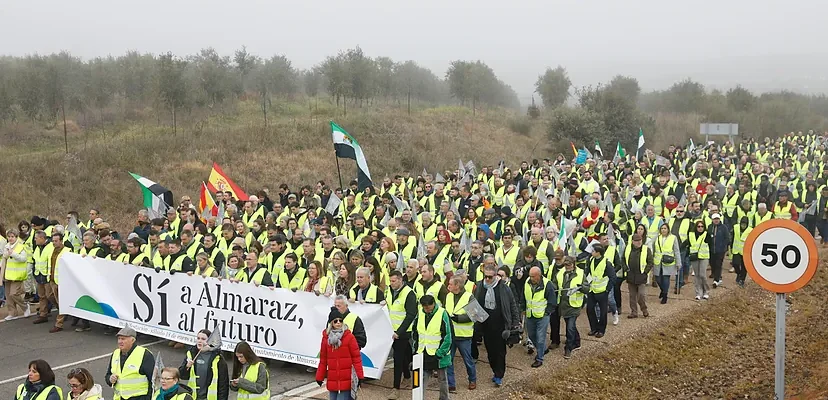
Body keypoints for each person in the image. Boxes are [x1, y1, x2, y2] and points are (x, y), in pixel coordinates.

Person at [472, 258, 520, 387]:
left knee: (499, 351)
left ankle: (499, 374)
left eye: (490, 277)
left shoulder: (503, 288)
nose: (487, 279)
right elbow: (475, 303)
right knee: (490, 351)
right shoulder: (480, 286)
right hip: (485, 324)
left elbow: (512, 305)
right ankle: (494, 369)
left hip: (500, 323)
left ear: (495, 276)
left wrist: (515, 323)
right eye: (485, 277)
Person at [315, 309, 365, 400]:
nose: (338, 323)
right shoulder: (326, 339)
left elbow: (356, 358)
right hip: (332, 379)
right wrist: (319, 376)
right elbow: (323, 360)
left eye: (340, 320)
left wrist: (360, 376)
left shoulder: (349, 337)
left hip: (346, 380)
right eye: (335, 321)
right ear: (331, 323)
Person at [413, 295, 452, 400]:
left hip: (438, 354)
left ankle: (444, 398)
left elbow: (448, 336)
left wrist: (440, 353)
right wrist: (416, 349)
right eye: (424, 307)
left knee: (442, 379)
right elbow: (415, 332)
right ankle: (419, 398)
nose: (426, 310)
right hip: (423, 352)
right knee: (421, 379)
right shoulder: (420, 312)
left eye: (428, 307)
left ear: (433, 304)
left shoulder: (442, 313)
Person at [386, 270, 417, 399]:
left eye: (393, 281)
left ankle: (396, 388)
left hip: (402, 332)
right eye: (390, 281)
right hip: (391, 330)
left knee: (398, 359)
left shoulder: (409, 293)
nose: (391, 283)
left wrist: (399, 332)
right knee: (404, 355)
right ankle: (409, 376)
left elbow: (410, 315)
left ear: (400, 280)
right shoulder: (389, 291)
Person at [445, 274, 477, 392]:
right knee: (449, 360)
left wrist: (458, 319)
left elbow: (475, 315)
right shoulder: (448, 296)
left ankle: (472, 379)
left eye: (450, 284)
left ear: (457, 285)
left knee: (468, 361)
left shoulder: (469, 296)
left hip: (464, 335)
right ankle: (451, 383)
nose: (448, 286)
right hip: (450, 335)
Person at [554, 256, 589, 359]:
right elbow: (555, 285)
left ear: (574, 264)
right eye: (565, 265)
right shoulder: (560, 273)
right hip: (563, 305)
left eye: (569, 265)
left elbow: (587, 288)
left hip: (575, 305)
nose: (567, 267)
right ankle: (577, 342)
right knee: (571, 326)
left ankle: (568, 348)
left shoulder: (581, 274)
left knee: (569, 327)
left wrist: (581, 287)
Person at [106, 326, 155, 400]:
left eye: (123, 339)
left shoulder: (145, 355)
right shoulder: (115, 354)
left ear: (132, 340)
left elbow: (153, 380)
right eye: (119, 338)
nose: (120, 341)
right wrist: (110, 379)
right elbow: (108, 374)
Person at [179, 329, 229, 400]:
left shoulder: (218, 359)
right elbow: (182, 375)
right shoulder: (191, 354)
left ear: (210, 341)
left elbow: (223, 385)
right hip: (193, 397)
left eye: (203, 339)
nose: (199, 341)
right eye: (198, 338)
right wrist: (187, 366)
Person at [523, 266, 555, 368]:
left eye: (533, 276)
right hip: (530, 314)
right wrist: (523, 308)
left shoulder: (547, 284)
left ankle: (539, 358)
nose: (531, 278)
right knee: (531, 336)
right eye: (530, 276)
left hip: (542, 316)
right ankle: (543, 349)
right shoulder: (527, 282)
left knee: (540, 338)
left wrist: (547, 312)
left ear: (539, 275)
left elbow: (552, 301)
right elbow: (523, 296)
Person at [585, 244, 615, 338]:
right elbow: (589, 272)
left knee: (603, 312)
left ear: (598, 253)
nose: (591, 252)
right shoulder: (591, 260)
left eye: (593, 251)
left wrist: (607, 289)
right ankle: (593, 328)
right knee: (589, 309)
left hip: (602, 291)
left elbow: (613, 277)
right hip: (592, 290)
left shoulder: (606, 263)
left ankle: (601, 330)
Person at [3, 228, 31, 320]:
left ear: (16, 237)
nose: (10, 238)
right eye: (9, 237)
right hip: (7, 274)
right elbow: (4, 259)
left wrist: (13, 254)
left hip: (17, 274)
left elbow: (23, 258)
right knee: (8, 295)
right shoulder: (6, 246)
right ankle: (12, 313)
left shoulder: (21, 247)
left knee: (13, 294)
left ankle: (25, 306)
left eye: (12, 237)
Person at [623, 234, 653, 318]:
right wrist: (626, 269)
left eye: (640, 240)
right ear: (632, 242)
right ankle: (634, 312)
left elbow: (650, 262)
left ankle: (644, 309)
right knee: (632, 296)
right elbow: (623, 259)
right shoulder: (627, 248)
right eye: (636, 241)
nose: (639, 242)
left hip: (641, 276)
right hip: (631, 275)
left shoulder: (646, 249)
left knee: (641, 295)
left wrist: (645, 272)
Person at [651, 224, 681, 304]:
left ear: (668, 229)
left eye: (665, 228)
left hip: (668, 261)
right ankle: (663, 290)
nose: (663, 230)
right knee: (657, 278)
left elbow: (676, 251)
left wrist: (678, 263)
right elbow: (653, 249)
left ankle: (665, 295)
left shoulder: (673, 238)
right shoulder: (657, 238)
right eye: (662, 228)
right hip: (658, 260)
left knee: (665, 278)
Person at [689, 221, 711, 300]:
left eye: (702, 226)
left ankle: (706, 291)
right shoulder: (691, 235)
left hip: (704, 257)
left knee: (702, 275)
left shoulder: (707, 235)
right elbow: (688, 244)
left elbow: (711, 245)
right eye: (698, 226)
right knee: (697, 275)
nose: (700, 228)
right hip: (694, 257)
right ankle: (698, 292)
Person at [708, 213, 731, 288]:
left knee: (718, 264)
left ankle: (716, 280)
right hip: (711, 249)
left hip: (720, 250)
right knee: (712, 263)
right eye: (715, 219)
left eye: (717, 219)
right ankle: (717, 276)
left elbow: (727, 238)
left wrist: (724, 246)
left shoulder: (723, 227)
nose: (716, 220)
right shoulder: (710, 227)